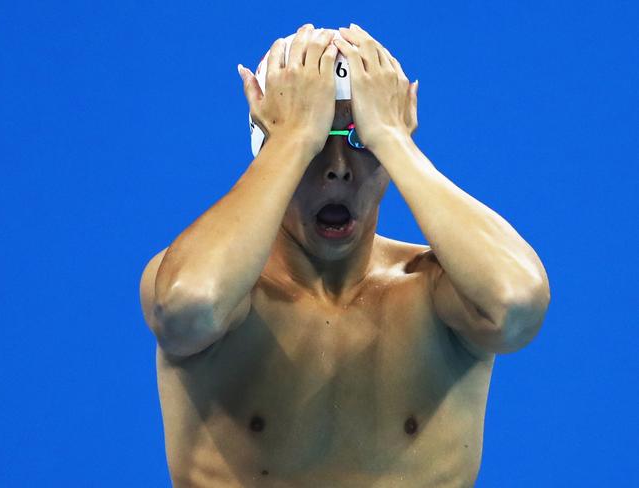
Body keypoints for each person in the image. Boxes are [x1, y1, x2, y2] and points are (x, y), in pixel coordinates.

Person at [139, 22, 550, 487]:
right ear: (266, 146)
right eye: (317, 141)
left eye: (359, 139)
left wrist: (394, 140)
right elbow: (188, 306)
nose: (337, 168)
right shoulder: (219, 294)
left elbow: (516, 306)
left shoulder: (437, 293)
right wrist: (292, 138)